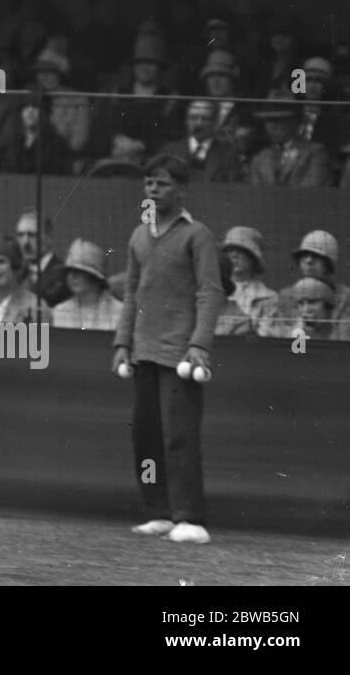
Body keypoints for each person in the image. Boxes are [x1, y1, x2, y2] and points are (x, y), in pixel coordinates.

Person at [112, 155, 224, 545]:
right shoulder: (138, 236)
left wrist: (199, 345)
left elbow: (211, 292)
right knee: (145, 438)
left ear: (181, 189)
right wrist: (122, 342)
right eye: (149, 183)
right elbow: (130, 293)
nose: (153, 190)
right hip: (142, 352)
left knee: (179, 436)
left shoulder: (199, 236)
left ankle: (189, 517)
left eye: (161, 183)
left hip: (179, 354)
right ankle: (157, 512)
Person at [214, 227, 280, 337]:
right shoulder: (214, 290)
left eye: (241, 251)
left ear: (253, 256)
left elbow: (266, 337)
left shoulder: (269, 297)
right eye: (230, 250)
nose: (234, 255)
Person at [50, 240, 121, 330]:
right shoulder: (60, 311)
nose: (72, 276)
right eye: (69, 271)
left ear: (95, 276)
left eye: (79, 271)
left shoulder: (120, 313)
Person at [14, 209, 69, 307]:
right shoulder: (16, 274)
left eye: (32, 235)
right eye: (20, 235)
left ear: (49, 238)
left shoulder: (64, 275)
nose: (25, 242)